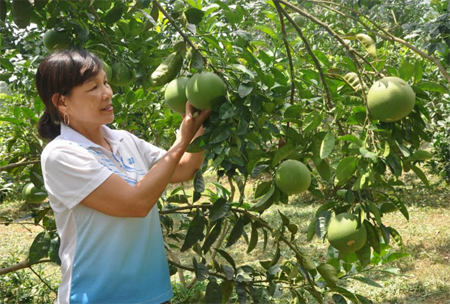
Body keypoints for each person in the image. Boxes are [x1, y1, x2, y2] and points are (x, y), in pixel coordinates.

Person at [36, 49, 211, 304]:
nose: (107, 92)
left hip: (153, 292)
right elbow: (135, 204)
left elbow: (183, 167)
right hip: (99, 296)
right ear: (62, 102)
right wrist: (181, 141)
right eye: (92, 87)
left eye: (105, 82)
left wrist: (201, 121)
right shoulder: (61, 154)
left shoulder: (123, 139)